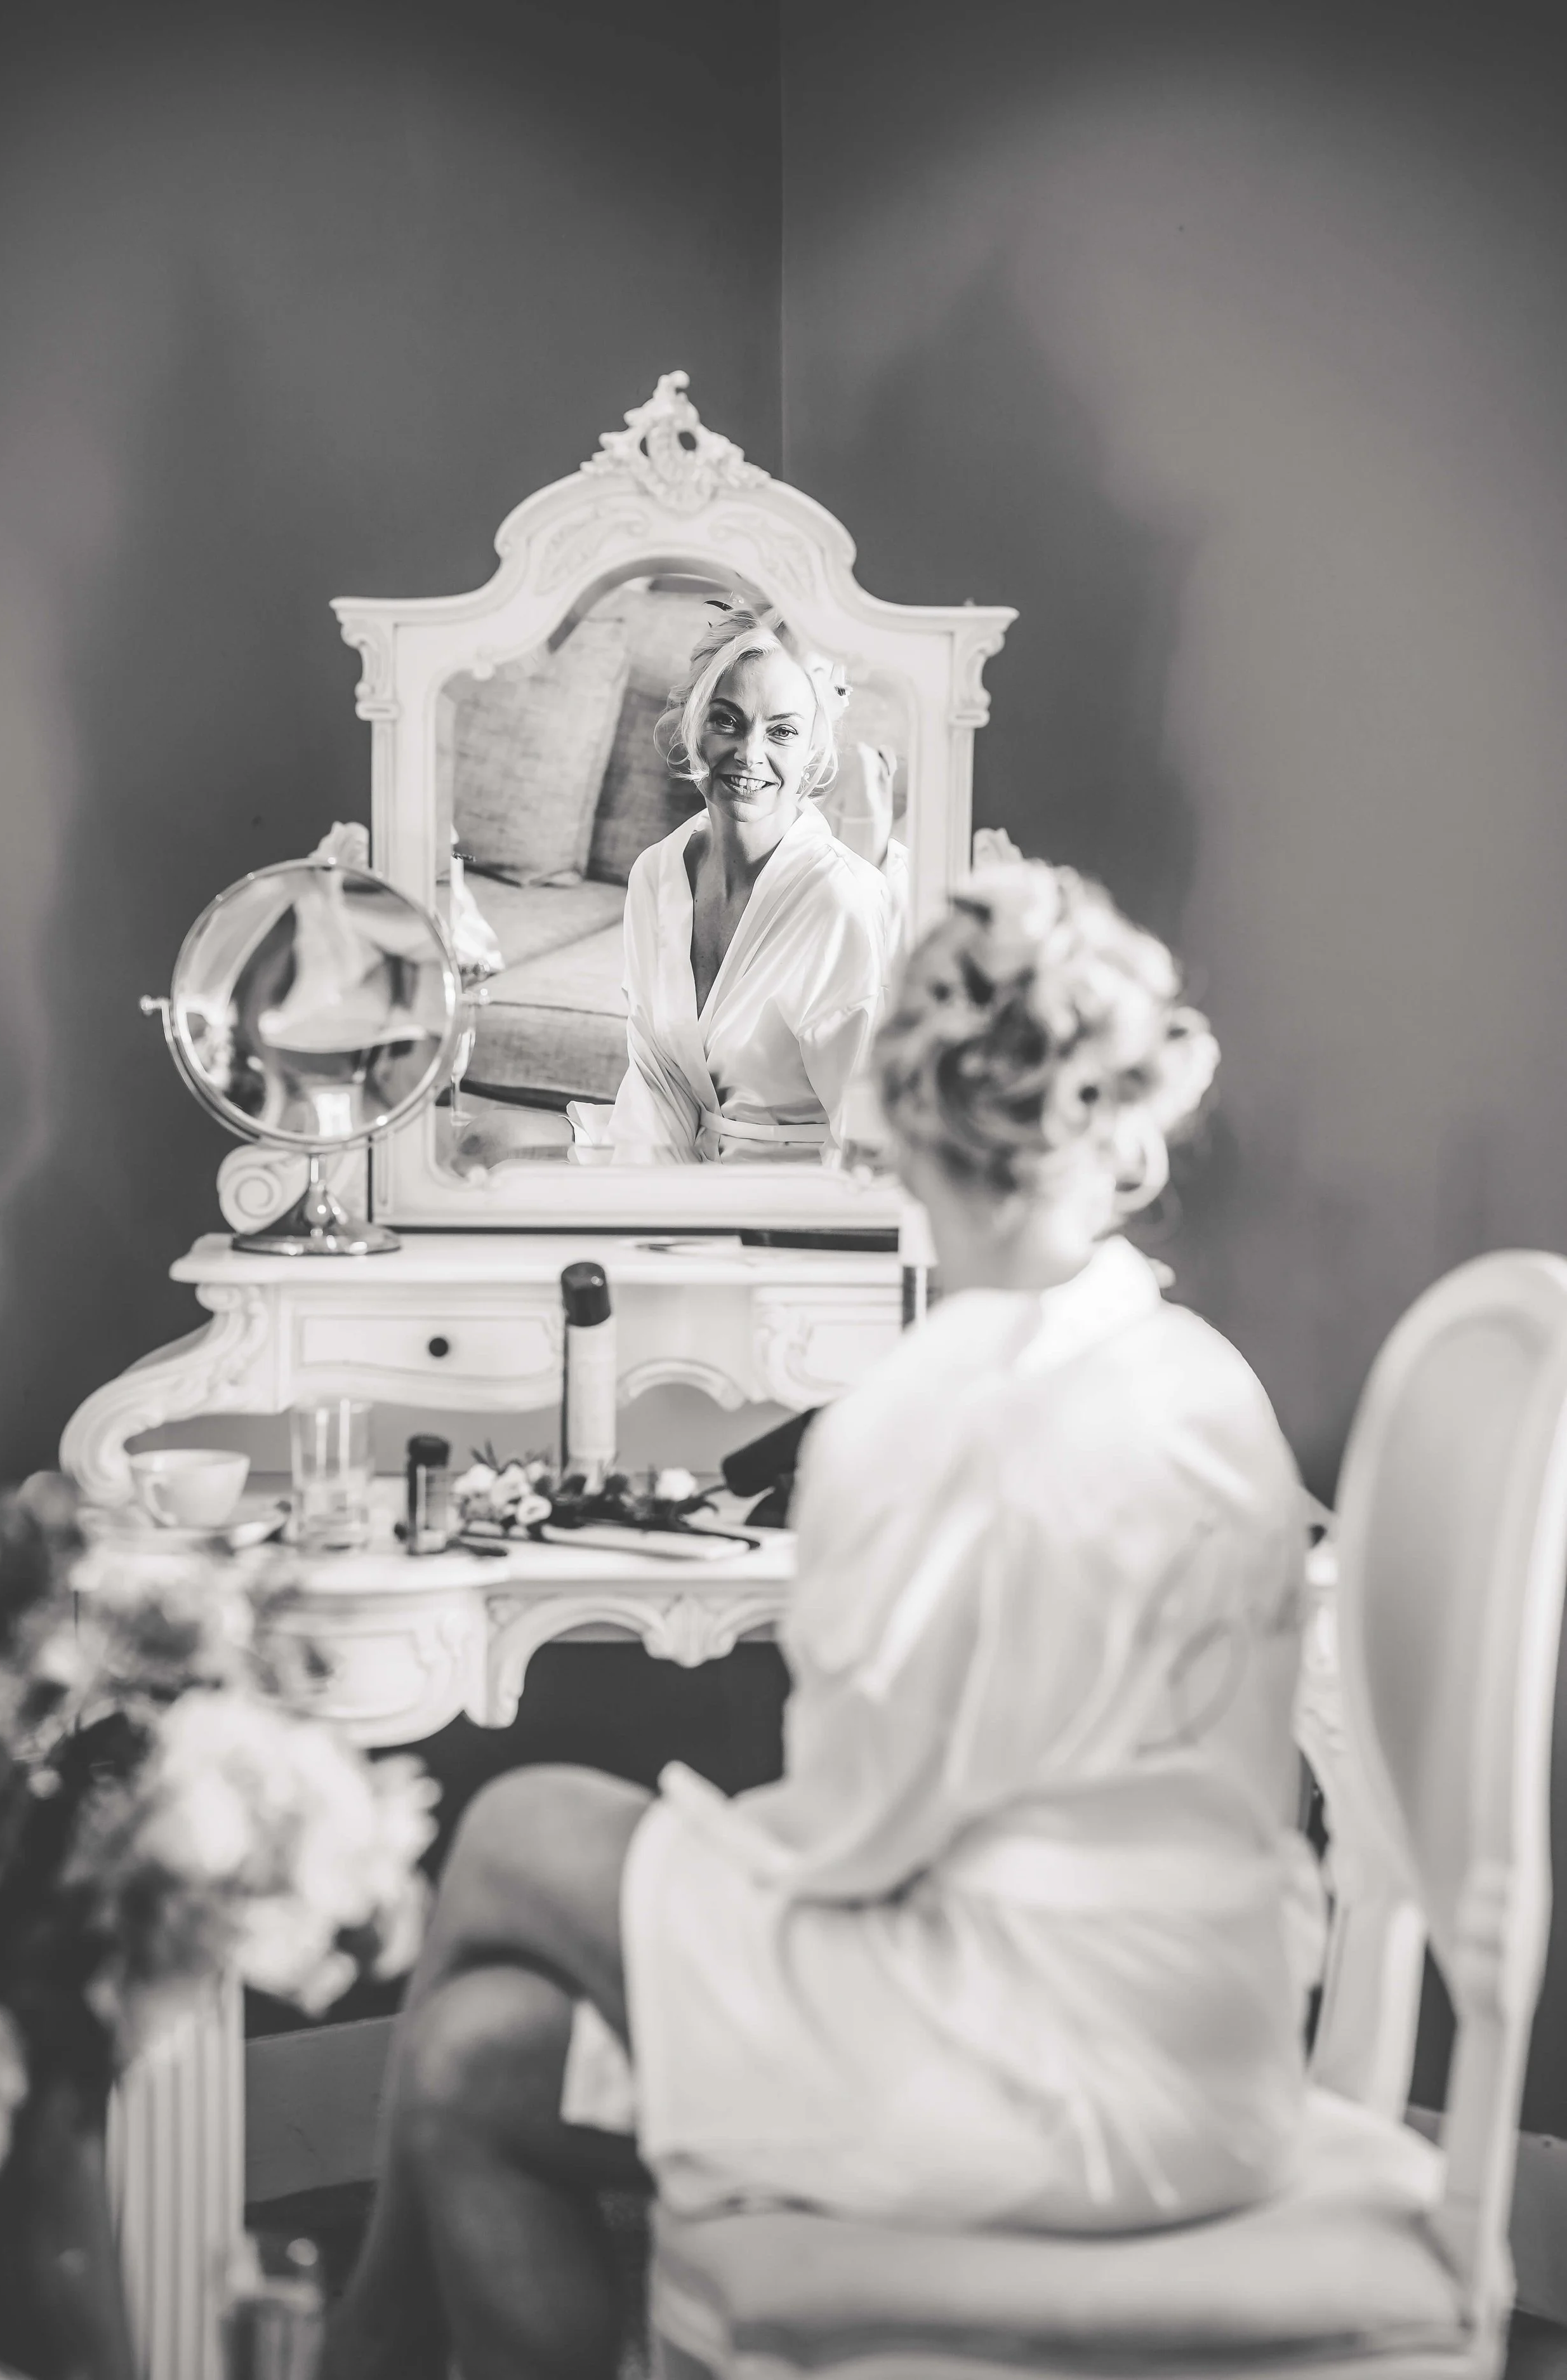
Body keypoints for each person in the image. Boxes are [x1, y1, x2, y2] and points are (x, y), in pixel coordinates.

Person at [322, 853, 1325, 2380]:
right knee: (469, 2069)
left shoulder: (922, 1416)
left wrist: (693, 1860)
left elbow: (860, 1840)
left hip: (1023, 2072)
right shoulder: (1206, 1376)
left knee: (523, 1825)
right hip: (1212, 2069)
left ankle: (353, 2356)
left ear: (902, 1120)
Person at [586, 602, 894, 1163]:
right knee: (494, 1149)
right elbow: (658, 1085)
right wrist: (639, 1219)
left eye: (782, 732)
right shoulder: (657, 873)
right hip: (680, 1182)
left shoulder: (838, 902)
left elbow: (868, 1138)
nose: (750, 754)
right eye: (727, 720)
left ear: (811, 752)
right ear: (694, 724)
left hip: (799, 1206)